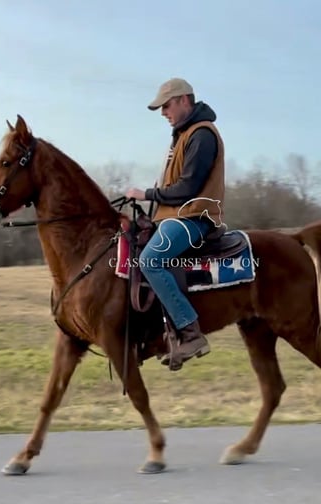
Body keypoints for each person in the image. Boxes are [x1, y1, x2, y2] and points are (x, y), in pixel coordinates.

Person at [126, 77, 226, 371]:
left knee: (151, 259)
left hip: (195, 218)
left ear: (184, 100)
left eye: (166, 105)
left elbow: (188, 188)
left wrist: (145, 194)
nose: (163, 113)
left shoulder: (202, 135)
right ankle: (158, 334)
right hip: (174, 217)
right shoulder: (182, 135)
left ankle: (191, 333)